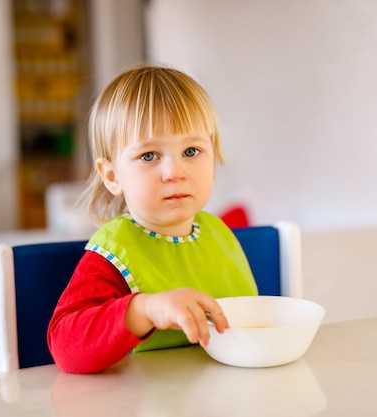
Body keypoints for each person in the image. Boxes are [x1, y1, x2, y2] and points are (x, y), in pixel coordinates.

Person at [47, 65, 258, 374]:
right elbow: (65, 347)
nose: (175, 172)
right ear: (111, 175)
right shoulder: (114, 251)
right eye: (149, 156)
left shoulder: (220, 234)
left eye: (191, 150)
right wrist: (144, 309)